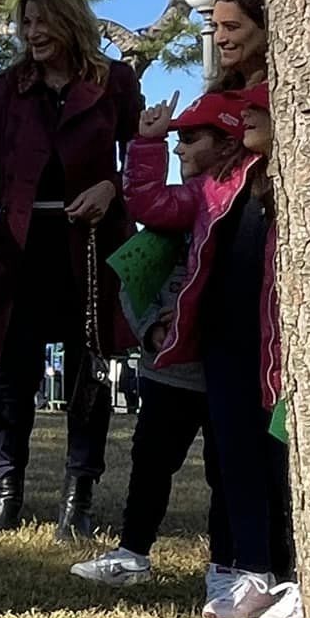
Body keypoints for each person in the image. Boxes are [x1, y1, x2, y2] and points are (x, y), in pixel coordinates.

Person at [0, 0, 141, 541]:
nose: (32, 33)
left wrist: (111, 188)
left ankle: (77, 497)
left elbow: (139, 158)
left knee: (89, 373)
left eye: (43, 21)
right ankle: (5, 490)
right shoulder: (4, 88)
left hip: (91, 244)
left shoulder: (115, 81)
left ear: (70, 21)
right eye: (26, 22)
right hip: (19, 246)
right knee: (14, 373)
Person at [125, 85, 293, 618]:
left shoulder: (295, 180)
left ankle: (292, 576)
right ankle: (254, 572)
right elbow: (149, 205)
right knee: (237, 460)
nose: (250, 116)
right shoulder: (212, 188)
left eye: (258, 110)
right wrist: (146, 144)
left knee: (280, 462)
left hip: (279, 345)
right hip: (224, 344)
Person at [70, 98, 238, 590]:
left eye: (189, 139)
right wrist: (150, 332)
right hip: (167, 366)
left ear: (227, 144)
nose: (179, 148)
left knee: (227, 470)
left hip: (225, 365)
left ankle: (227, 566)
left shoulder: (241, 205)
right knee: (150, 462)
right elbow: (133, 279)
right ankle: (132, 551)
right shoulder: (174, 213)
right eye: (176, 140)